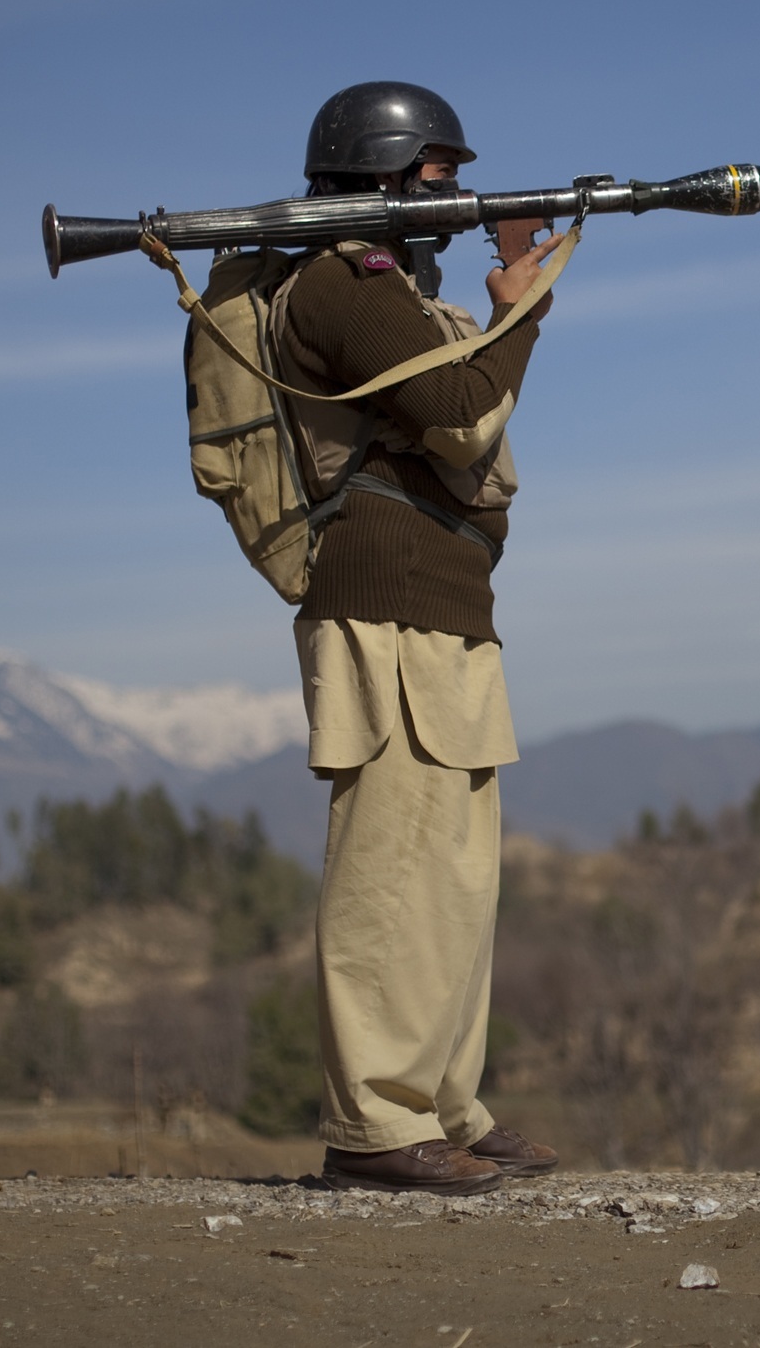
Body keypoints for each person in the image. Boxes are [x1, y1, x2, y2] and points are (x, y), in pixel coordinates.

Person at [278, 79, 562, 1196]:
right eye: (438, 179)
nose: (453, 196)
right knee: (390, 869)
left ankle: (443, 1102)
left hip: (443, 604)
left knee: (454, 876)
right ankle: (373, 1122)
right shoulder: (345, 281)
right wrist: (522, 305)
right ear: (382, 176)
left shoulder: (393, 282)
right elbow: (456, 407)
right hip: (384, 599)